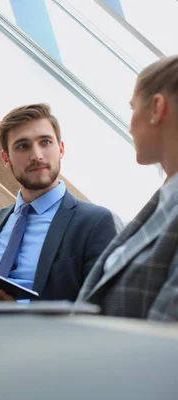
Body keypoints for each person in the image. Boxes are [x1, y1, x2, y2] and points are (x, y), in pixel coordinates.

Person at [0, 104, 117, 301]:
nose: (37, 155)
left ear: (61, 149)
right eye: (23, 146)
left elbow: (101, 311)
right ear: (6, 159)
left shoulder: (95, 223)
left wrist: (19, 318)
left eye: (46, 142)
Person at [77, 56, 178, 321]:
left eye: (133, 108)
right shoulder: (164, 200)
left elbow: (163, 340)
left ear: (157, 108)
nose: (130, 125)